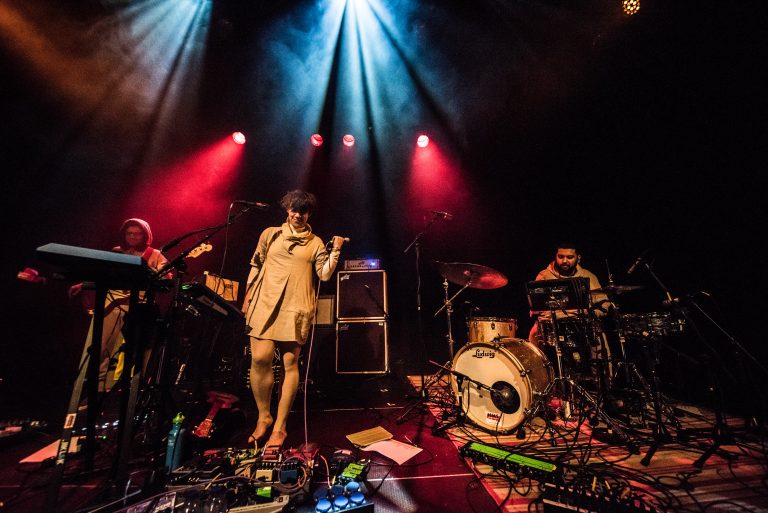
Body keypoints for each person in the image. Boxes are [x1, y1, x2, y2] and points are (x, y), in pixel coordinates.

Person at [242, 190, 345, 448]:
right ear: (287, 209)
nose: (298, 215)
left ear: (309, 214)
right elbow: (256, 264)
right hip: (265, 302)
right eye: (294, 210)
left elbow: (324, 275)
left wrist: (336, 250)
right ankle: (264, 416)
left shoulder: (315, 242)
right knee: (260, 358)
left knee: (289, 363)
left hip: (296, 305)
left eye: (303, 211)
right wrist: (247, 295)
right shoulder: (270, 234)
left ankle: (280, 426)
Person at [69, 218, 169, 390]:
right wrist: (84, 284)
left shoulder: (154, 254)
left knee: (138, 350)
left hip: (139, 304)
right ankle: (96, 388)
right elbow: (103, 275)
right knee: (99, 345)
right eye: (129, 233)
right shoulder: (117, 252)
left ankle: (127, 389)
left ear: (145, 235)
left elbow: (166, 277)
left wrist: (151, 271)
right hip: (113, 301)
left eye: (137, 234)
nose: (132, 237)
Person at [528, 242, 609, 348]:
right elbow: (536, 306)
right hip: (553, 325)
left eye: (570, 257)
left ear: (578, 258)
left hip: (583, 323)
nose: (564, 261)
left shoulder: (588, 276)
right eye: (561, 257)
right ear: (556, 256)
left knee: (599, 337)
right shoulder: (544, 275)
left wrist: (590, 313)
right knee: (533, 335)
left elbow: (604, 304)